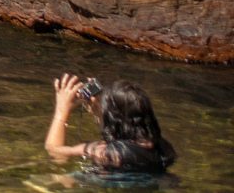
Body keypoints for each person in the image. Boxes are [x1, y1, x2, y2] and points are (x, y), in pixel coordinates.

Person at [45, 73, 177, 175]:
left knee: (58, 178)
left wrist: (61, 110)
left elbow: (54, 152)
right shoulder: (162, 146)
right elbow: (120, 129)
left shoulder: (102, 152)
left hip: (104, 181)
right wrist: (99, 110)